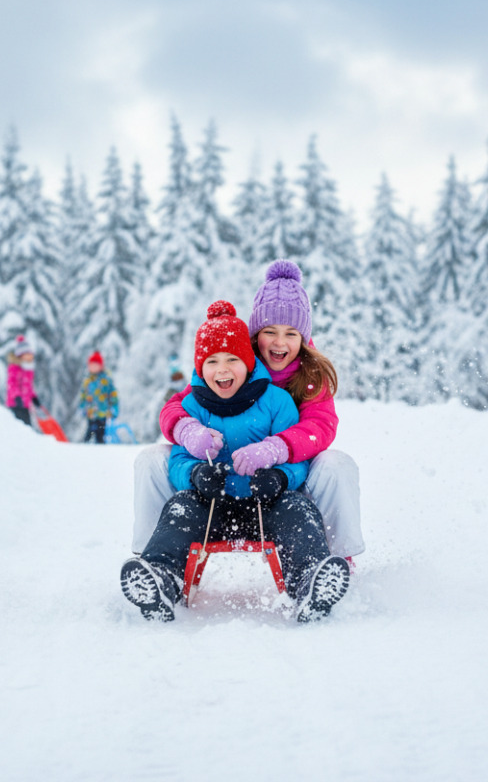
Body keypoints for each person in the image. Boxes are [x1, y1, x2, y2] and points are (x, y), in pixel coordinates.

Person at [120, 301, 350, 622]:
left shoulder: (277, 401)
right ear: (200, 368)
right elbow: (178, 459)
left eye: (232, 360)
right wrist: (196, 475)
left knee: (299, 511)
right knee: (179, 511)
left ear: (249, 361)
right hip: (209, 505)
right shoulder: (194, 404)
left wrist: (281, 479)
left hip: (267, 504)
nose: (223, 369)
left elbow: (302, 459)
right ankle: (160, 577)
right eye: (212, 362)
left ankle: (311, 581)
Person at [133, 260, 364, 559]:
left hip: (287, 481)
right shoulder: (233, 365)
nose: (280, 342)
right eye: (270, 331)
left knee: (336, 464)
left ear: (304, 338)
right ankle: (152, 558)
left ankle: (336, 560)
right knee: (151, 459)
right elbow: (179, 404)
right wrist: (187, 429)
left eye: (291, 333)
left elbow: (320, 427)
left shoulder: (310, 376)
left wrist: (276, 451)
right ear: (255, 334)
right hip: (216, 483)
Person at [79, 351, 119, 444]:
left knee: (100, 433)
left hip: (103, 413)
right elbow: (83, 396)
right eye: (91, 365)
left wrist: (114, 409)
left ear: (100, 366)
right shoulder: (87, 381)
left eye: (95, 365)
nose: (93, 367)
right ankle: (84, 448)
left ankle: (100, 450)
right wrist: (82, 408)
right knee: (90, 432)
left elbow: (113, 395)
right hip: (91, 412)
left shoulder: (105, 380)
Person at [6, 335, 40, 426]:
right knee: (19, 426)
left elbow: (29, 386)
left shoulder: (28, 369)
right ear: (21, 355)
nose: (30, 356)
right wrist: (16, 396)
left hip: (25, 404)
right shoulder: (14, 368)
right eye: (27, 354)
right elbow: (12, 384)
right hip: (15, 404)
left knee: (27, 426)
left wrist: (33, 397)